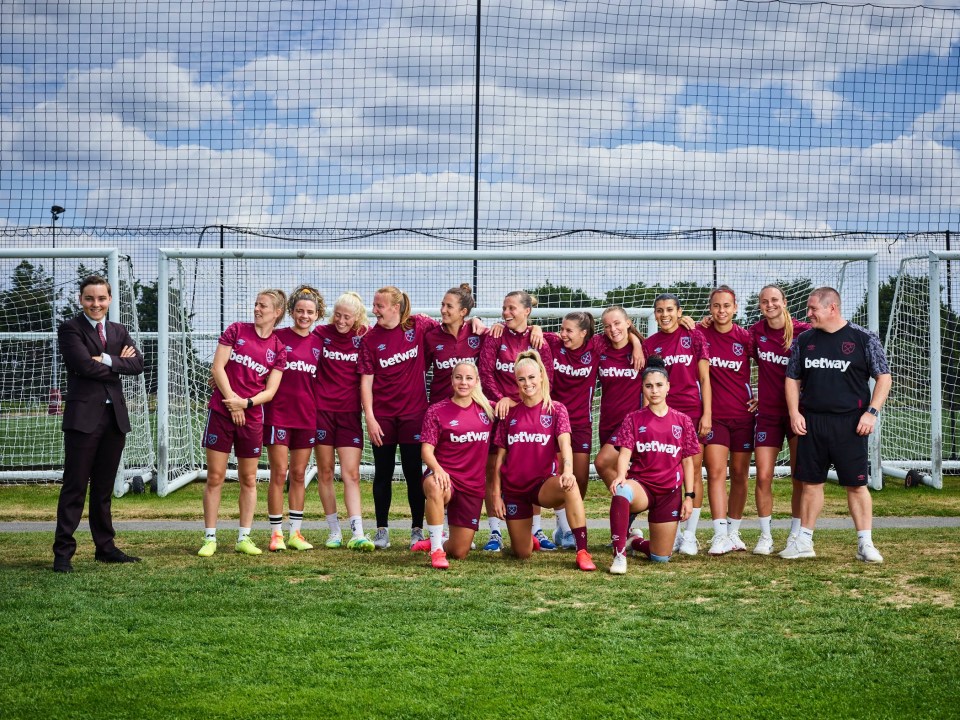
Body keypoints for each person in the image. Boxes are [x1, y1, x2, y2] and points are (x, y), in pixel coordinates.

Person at [360, 287, 483, 549]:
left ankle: (417, 529)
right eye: (373, 306)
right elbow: (366, 382)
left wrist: (474, 320)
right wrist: (369, 416)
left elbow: (456, 324)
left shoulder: (419, 325)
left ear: (396, 307)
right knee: (382, 472)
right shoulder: (370, 339)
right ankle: (382, 530)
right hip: (383, 417)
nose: (374, 311)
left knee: (414, 472)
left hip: (415, 415)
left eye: (379, 306)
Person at [782, 287, 891, 563]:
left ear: (832, 308)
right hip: (813, 421)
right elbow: (792, 378)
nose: (808, 314)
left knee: (856, 485)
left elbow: (884, 377)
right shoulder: (804, 339)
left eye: (813, 309)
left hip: (851, 423)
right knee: (810, 483)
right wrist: (795, 412)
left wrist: (872, 412)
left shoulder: (863, 338)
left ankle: (865, 544)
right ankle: (804, 542)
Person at [53, 275, 145, 573]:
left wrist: (105, 358)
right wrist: (117, 363)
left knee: (103, 488)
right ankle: (63, 553)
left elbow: (138, 365)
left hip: (114, 420)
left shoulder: (119, 330)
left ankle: (105, 548)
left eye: (101, 298)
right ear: (81, 299)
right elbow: (81, 365)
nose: (96, 304)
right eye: (90, 298)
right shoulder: (70, 329)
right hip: (83, 420)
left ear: (109, 299)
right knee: (75, 487)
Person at [540, 311, 644, 549]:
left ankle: (629, 507)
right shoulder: (561, 343)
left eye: (569, 330)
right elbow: (532, 333)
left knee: (584, 476)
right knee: (558, 474)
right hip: (558, 421)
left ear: (584, 333)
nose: (563, 333)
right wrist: (536, 330)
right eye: (562, 329)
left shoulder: (598, 347)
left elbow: (625, 337)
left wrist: (636, 343)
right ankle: (564, 529)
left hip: (586, 423)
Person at [198, 290, 287, 557]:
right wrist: (233, 400)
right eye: (256, 304)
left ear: (277, 312)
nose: (257, 309)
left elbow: (270, 392)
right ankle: (210, 538)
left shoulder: (278, 349)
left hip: (251, 417)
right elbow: (218, 368)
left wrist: (245, 404)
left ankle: (244, 537)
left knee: (248, 478)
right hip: (222, 412)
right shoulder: (236, 330)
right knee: (215, 477)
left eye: (263, 306)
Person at [489, 350, 595, 571]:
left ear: (541, 377)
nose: (527, 383)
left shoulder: (556, 409)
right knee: (522, 553)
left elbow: (565, 445)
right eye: (521, 379)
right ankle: (529, 540)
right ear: (516, 381)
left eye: (531, 377)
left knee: (570, 485)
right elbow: (499, 459)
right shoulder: (509, 412)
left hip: (542, 485)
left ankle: (582, 551)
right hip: (514, 490)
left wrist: (567, 471)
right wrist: (496, 495)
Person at [607, 357, 700, 574]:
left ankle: (635, 542)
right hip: (643, 486)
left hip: (669, 492)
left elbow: (688, 462)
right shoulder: (633, 419)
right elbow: (625, 453)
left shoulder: (683, 421)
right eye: (649, 386)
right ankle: (619, 555)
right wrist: (621, 475)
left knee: (660, 558)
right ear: (642, 388)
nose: (654, 390)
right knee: (621, 491)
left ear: (668, 387)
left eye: (659, 385)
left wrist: (689, 497)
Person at [479, 290, 554, 552]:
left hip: (529, 413)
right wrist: (502, 399)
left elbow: (548, 378)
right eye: (504, 308)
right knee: (493, 469)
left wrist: (524, 405)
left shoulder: (538, 339)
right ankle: (494, 531)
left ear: (527, 312)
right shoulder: (495, 336)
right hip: (499, 412)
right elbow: (485, 373)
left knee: (531, 472)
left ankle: (536, 529)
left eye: (512, 308)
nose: (506, 313)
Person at [642, 293, 711, 556]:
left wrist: (707, 414)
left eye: (670, 309)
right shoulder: (650, 344)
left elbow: (705, 380)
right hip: (662, 415)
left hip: (692, 412)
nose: (664, 315)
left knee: (693, 469)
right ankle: (673, 530)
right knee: (665, 470)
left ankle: (691, 535)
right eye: (659, 310)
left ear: (680, 311)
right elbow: (649, 384)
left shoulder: (694, 337)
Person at [413, 362, 494, 569]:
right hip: (445, 476)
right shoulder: (437, 411)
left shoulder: (489, 410)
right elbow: (426, 451)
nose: (463, 382)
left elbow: (515, 408)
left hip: (473, 485)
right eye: (458, 377)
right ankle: (436, 549)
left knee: (460, 552)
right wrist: (438, 469)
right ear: (451, 381)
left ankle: (438, 543)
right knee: (435, 485)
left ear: (476, 382)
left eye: (468, 378)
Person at [749, 284, 810, 555]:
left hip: (797, 414)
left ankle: (797, 536)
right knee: (763, 476)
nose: (770, 305)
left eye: (775, 300)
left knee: (800, 477)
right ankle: (765, 536)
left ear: (785, 302)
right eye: (764, 301)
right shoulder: (755, 332)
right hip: (768, 415)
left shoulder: (804, 332)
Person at [263, 286, 323, 553]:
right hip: (278, 415)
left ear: (317, 314)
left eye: (310, 312)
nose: (304, 315)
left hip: (307, 417)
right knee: (279, 473)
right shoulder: (277, 338)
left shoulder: (320, 342)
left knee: (299, 474)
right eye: (300, 310)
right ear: (291, 312)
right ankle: (276, 534)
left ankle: (295, 533)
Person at [313, 292, 374, 551]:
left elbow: (397, 323)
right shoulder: (320, 333)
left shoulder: (364, 337)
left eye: (347, 316)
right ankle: (333, 530)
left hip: (349, 414)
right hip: (321, 412)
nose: (340, 320)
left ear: (357, 317)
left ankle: (357, 532)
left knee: (351, 474)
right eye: (337, 314)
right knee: (325, 472)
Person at [700, 286, 755, 556]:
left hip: (744, 416)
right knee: (717, 473)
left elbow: (772, 366)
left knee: (741, 475)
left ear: (735, 308)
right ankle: (719, 534)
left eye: (726, 306)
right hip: (715, 418)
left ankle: (734, 531)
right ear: (710, 308)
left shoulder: (746, 338)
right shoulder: (700, 335)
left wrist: (763, 397)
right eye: (716, 306)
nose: (721, 311)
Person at [424, 283, 484, 404]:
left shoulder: (478, 333)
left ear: (463, 311)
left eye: (449, 306)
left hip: (470, 406)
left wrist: (533, 329)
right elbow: (421, 373)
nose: (443, 310)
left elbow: (505, 334)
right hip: (440, 405)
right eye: (442, 305)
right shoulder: (431, 337)